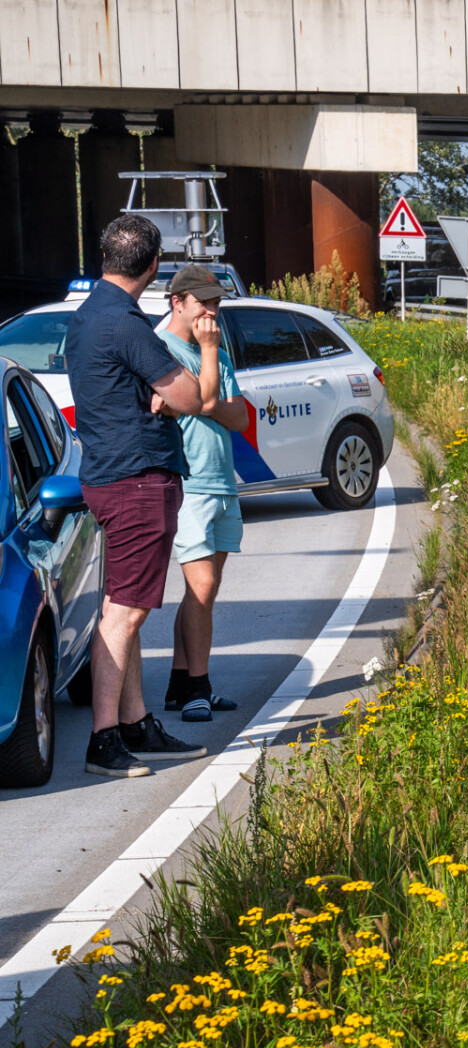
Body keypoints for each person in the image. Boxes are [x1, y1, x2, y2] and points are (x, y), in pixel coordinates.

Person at [66, 215, 216, 779]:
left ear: (105, 257)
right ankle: (104, 740)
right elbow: (193, 397)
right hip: (137, 481)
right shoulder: (127, 324)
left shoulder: (87, 316)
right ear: (153, 266)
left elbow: (142, 391)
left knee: (120, 606)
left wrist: (157, 393)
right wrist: (204, 348)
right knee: (123, 616)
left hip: (109, 475)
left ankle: (134, 724)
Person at [155, 264, 250, 723]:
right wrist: (208, 382)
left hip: (222, 482)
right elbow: (209, 402)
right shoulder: (162, 350)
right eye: (203, 303)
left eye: (216, 304)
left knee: (202, 594)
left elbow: (239, 417)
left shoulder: (218, 353)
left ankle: (179, 684)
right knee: (202, 585)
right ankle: (198, 687)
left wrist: (203, 395)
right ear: (178, 302)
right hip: (189, 483)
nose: (211, 312)